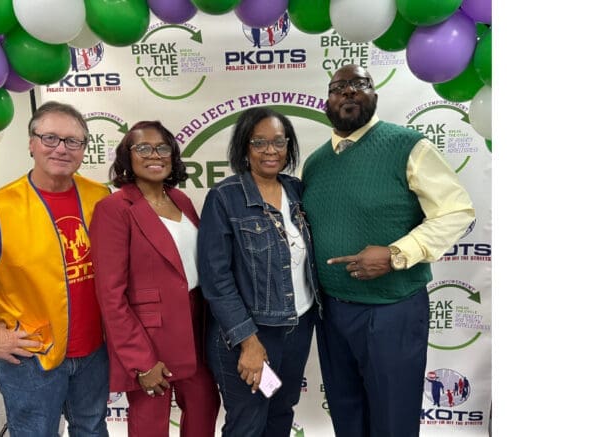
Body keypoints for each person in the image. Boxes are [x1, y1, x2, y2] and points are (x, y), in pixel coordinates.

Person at [301, 64, 476, 437]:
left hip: (392, 310)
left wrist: (397, 253)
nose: (349, 92)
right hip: (331, 312)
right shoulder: (314, 164)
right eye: (339, 87)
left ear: (374, 95)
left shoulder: (407, 146)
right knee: (347, 415)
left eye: (359, 84)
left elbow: (456, 210)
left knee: (393, 419)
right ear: (327, 102)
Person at [0, 101, 111, 436]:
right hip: (30, 358)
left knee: (92, 428)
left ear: (84, 148)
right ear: (31, 143)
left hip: (95, 353)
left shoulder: (101, 197)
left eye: (73, 141)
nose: (61, 149)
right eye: (50, 138)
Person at [197, 107, 321, 437]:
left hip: (296, 328)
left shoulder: (296, 191)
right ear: (244, 147)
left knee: (281, 413)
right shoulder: (225, 198)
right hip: (251, 334)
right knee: (248, 422)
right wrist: (248, 342)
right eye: (259, 142)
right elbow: (216, 280)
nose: (270, 151)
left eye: (279, 142)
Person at [91, 121, 220, 437]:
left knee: (204, 409)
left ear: (173, 155)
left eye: (162, 148)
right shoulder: (113, 209)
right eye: (143, 148)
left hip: (196, 331)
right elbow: (111, 295)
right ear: (127, 156)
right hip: (149, 340)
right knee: (150, 425)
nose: (155, 155)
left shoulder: (182, 200)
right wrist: (141, 362)